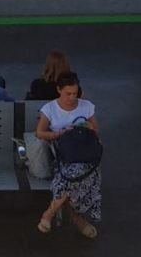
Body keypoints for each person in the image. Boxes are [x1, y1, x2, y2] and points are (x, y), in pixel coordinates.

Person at [35, 72, 100, 239]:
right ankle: (77, 219)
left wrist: (86, 129)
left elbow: (96, 132)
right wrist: (61, 133)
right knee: (75, 174)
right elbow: (40, 133)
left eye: (75, 93)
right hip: (63, 154)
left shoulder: (87, 106)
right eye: (68, 93)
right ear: (59, 90)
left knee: (73, 176)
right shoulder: (50, 108)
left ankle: (50, 213)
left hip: (85, 154)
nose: (72, 97)